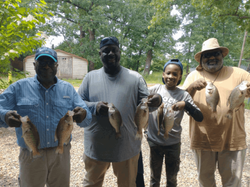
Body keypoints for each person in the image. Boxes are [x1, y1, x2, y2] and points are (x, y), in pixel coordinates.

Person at [0, 47, 92, 187]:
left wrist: (84, 114)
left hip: (60, 155)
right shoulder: (19, 87)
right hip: (31, 153)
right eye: (42, 61)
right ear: (34, 65)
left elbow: (87, 116)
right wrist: (5, 115)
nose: (46, 66)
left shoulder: (67, 89)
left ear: (56, 66)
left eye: (51, 62)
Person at [77, 36, 162, 187]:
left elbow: (147, 104)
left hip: (126, 147)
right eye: (106, 51)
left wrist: (157, 100)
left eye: (114, 50)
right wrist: (94, 106)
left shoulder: (135, 78)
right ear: (100, 54)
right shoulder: (90, 78)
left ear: (120, 52)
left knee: (128, 184)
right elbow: (77, 105)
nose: (110, 54)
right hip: (96, 147)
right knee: (91, 183)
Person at [182, 38, 250, 187]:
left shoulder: (240, 74)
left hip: (233, 139)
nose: (212, 57)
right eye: (207, 55)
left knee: (233, 182)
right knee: (205, 182)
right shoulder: (193, 76)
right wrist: (192, 87)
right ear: (201, 60)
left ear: (222, 56)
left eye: (216, 53)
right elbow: (179, 100)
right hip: (202, 139)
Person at [146, 59, 203, 187]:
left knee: (172, 179)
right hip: (155, 142)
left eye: (175, 74)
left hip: (173, 144)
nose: (171, 77)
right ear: (163, 74)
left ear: (180, 77)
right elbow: (139, 99)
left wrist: (186, 105)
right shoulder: (155, 89)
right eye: (168, 73)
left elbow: (199, 117)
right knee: (154, 177)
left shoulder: (184, 95)